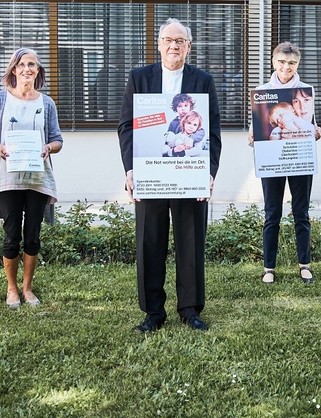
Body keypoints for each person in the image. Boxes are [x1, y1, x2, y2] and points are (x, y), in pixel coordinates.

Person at [119, 18, 222, 332]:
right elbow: (126, 127)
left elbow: (212, 132)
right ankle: (153, 312)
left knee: (190, 242)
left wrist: (209, 173)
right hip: (150, 175)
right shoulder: (139, 78)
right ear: (159, 44)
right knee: (150, 242)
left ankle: (190, 310)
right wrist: (131, 170)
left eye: (180, 41)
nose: (174, 46)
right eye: (168, 40)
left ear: (188, 46)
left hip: (189, 174)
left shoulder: (203, 80)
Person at [0, 48, 63, 309]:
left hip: (37, 177)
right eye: (22, 64)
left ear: (38, 71)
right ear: (13, 69)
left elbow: (57, 140)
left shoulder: (46, 103)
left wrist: (48, 148)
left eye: (33, 65)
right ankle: (12, 288)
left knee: (33, 234)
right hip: (8, 178)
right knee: (11, 233)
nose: (27, 69)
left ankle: (28, 288)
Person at [250, 42, 321, 285]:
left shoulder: (305, 93)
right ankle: (268, 267)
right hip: (273, 162)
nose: (286, 67)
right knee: (272, 214)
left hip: (299, 159)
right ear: (273, 62)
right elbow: (256, 131)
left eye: (291, 63)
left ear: (298, 64)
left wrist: (317, 132)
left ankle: (304, 265)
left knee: (301, 213)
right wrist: (253, 136)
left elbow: (312, 124)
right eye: (281, 62)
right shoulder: (262, 91)